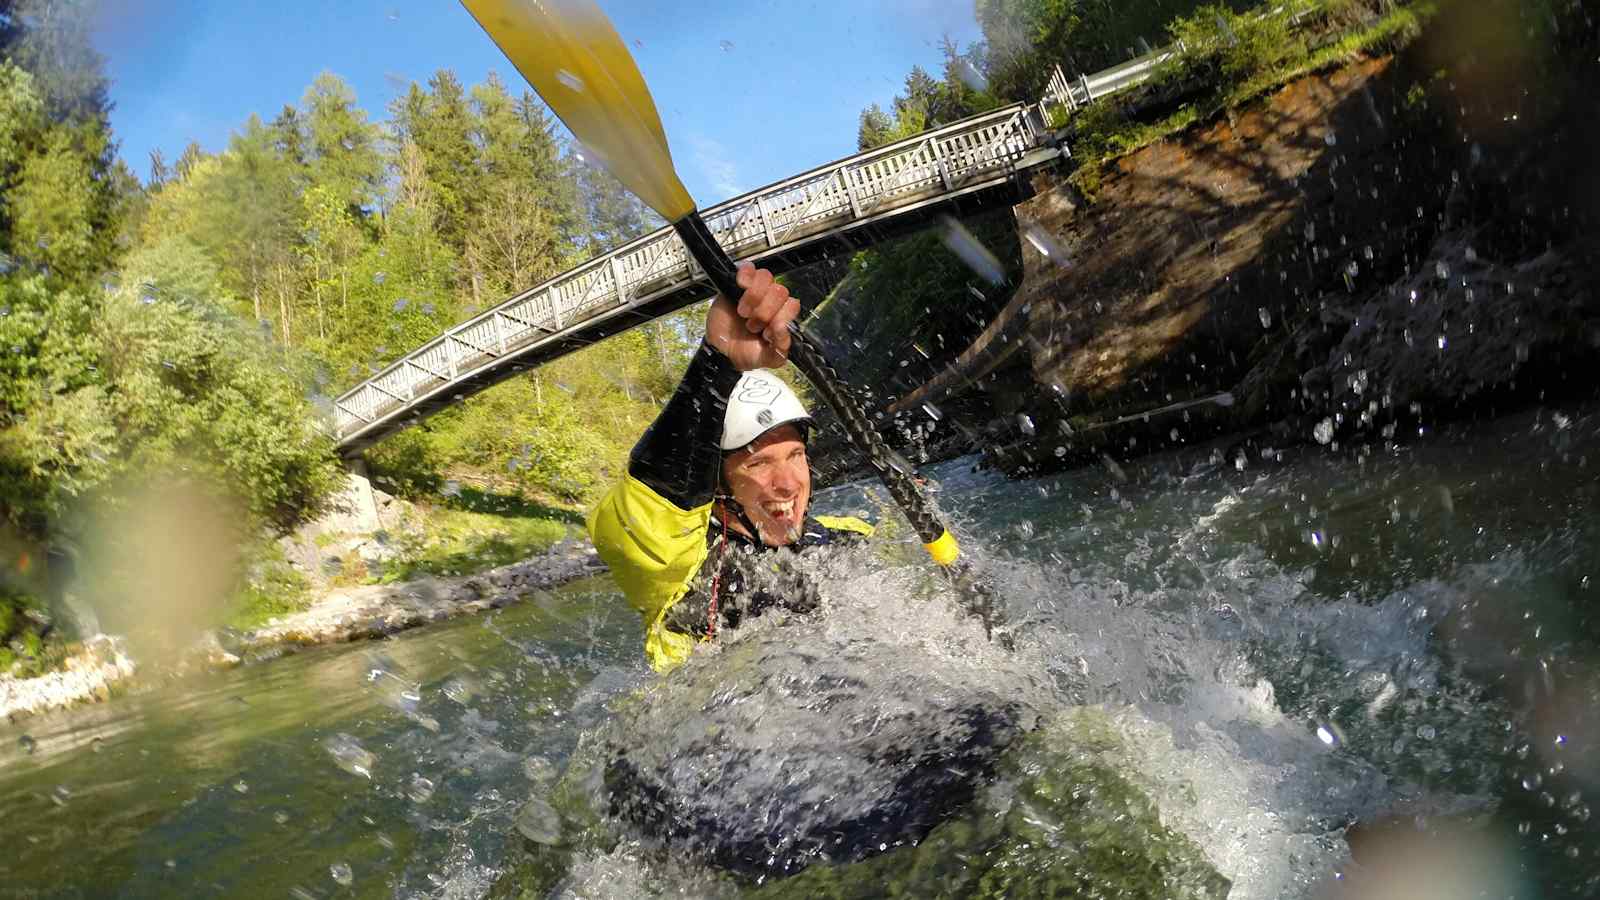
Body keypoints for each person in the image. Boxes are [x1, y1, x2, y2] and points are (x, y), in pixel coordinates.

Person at [588, 263, 875, 672]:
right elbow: (648, 508)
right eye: (759, 463)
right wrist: (717, 361)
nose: (789, 483)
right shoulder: (682, 570)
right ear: (718, 484)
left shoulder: (848, 538)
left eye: (795, 456)